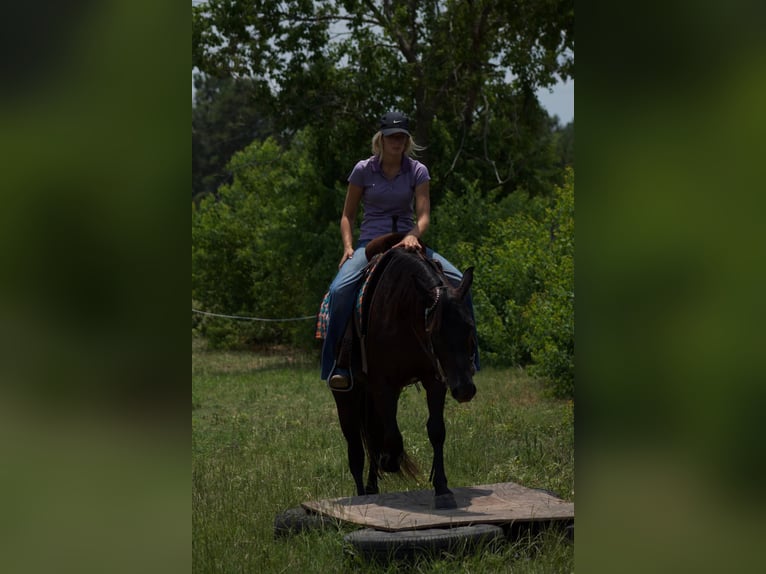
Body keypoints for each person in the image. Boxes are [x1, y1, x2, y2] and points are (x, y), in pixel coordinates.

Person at [321, 111, 478, 390]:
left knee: (457, 285)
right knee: (339, 291)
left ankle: (470, 358)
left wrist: (413, 236)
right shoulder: (363, 170)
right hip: (370, 243)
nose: (397, 142)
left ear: (407, 141)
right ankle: (339, 363)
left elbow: (424, 215)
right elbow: (348, 215)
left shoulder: (418, 171)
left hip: (409, 240)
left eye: (402, 137)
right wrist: (347, 247)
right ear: (380, 139)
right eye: (392, 136)